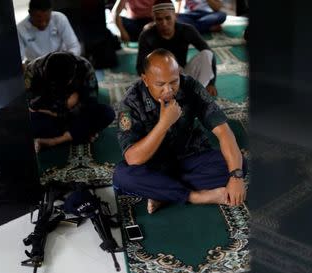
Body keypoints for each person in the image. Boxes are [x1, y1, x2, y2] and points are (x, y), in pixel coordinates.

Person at [113, 49, 246, 214]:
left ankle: (162, 192)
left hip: (190, 158)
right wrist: (164, 124)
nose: (168, 90)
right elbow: (133, 158)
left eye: (173, 82)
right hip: (154, 166)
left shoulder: (190, 86)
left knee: (238, 164)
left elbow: (223, 131)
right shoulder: (130, 102)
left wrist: (236, 176)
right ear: (145, 79)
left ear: (179, 74)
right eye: (160, 84)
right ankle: (195, 196)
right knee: (123, 177)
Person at [24, 52, 115, 152]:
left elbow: (90, 103)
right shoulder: (33, 70)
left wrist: (70, 107)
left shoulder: (84, 67)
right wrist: (66, 104)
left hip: (76, 115)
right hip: (51, 117)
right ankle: (78, 134)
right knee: (27, 123)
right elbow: (32, 105)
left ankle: (55, 141)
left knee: (107, 113)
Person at [136, 0, 218, 96]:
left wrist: (211, 83)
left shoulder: (187, 30)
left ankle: (198, 93)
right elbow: (140, 67)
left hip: (183, 74)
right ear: (154, 19)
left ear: (175, 16)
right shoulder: (146, 36)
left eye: (168, 18)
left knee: (207, 54)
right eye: (159, 19)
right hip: (161, 79)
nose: (164, 23)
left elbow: (208, 53)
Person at [17, 0, 81, 64]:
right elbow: (19, 59)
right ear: (30, 12)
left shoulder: (60, 19)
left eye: (47, 20)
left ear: (51, 11)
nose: (43, 24)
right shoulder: (20, 29)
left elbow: (74, 46)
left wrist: (67, 61)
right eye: (39, 20)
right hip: (36, 67)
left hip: (61, 63)